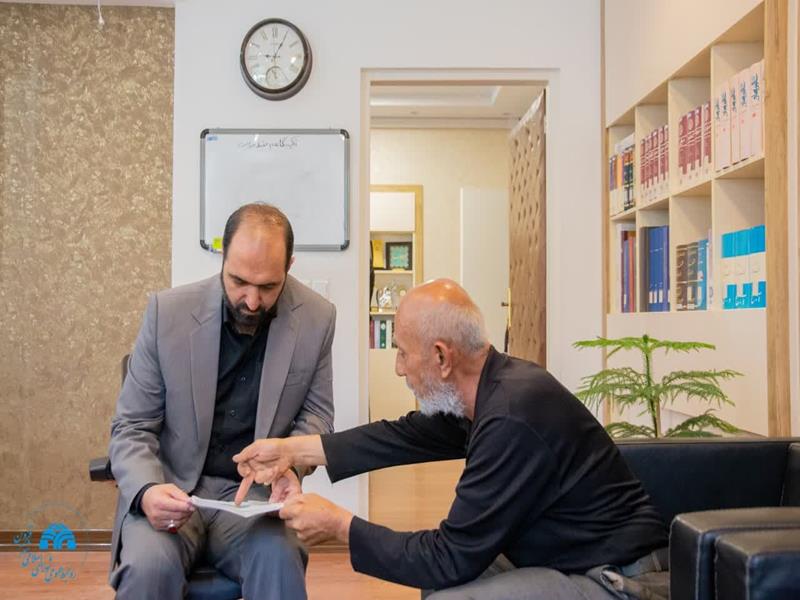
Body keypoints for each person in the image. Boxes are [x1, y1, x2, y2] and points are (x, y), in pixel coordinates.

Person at [234, 279, 669, 600]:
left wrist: (339, 525)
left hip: (618, 579)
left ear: (442, 356)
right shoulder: (491, 389)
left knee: (448, 594)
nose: (399, 368)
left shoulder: (511, 417)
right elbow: (401, 436)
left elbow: (448, 556)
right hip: (566, 556)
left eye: (403, 352)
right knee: (440, 584)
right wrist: (288, 450)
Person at [108, 203, 336, 600]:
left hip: (254, 501)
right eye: (239, 281)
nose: (252, 301)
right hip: (171, 489)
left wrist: (292, 466)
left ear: (289, 266)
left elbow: (316, 415)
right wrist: (146, 491)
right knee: (147, 567)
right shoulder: (168, 313)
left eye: (268, 287)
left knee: (280, 556)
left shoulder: (317, 318)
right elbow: (132, 426)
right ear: (222, 255)